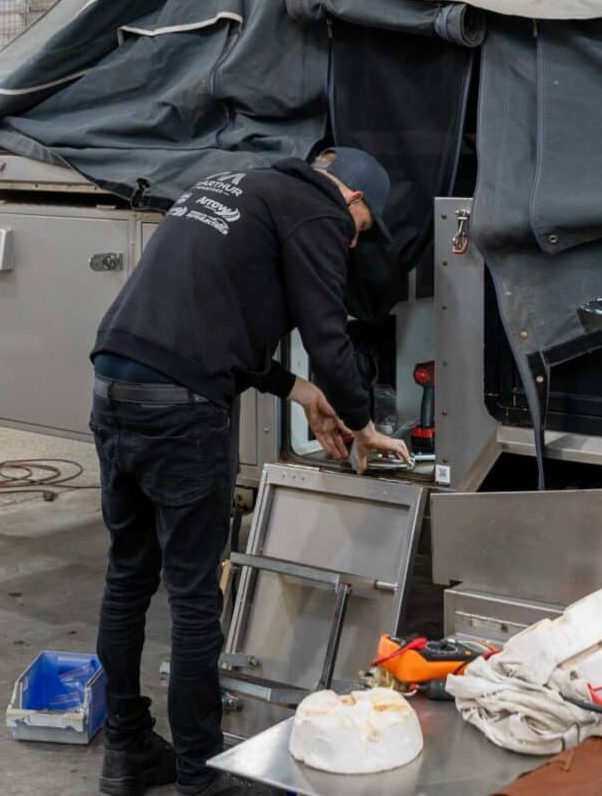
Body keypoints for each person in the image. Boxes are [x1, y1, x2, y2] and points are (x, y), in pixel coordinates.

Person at [91, 147, 414, 796]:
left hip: (114, 383)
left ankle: (126, 752)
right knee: (193, 597)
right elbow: (328, 334)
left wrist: (298, 392)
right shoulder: (320, 215)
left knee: (128, 574)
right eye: (364, 230)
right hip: (183, 409)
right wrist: (363, 419)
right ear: (352, 200)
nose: (355, 243)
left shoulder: (237, 185)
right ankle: (202, 777)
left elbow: (216, 322)